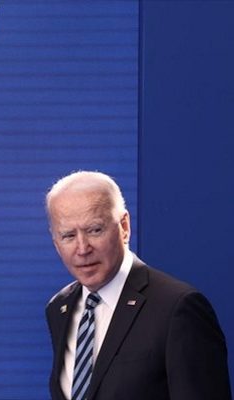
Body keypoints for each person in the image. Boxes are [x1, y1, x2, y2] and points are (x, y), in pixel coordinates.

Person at [44, 170, 231, 400]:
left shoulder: (177, 308)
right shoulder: (59, 308)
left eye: (94, 230)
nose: (82, 249)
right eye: (68, 236)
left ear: (124, 226)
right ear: (56, 242)